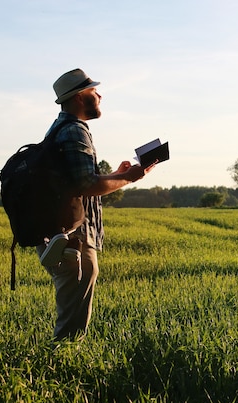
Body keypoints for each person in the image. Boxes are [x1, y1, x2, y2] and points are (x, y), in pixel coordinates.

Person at [37, 68, 155, 341]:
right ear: (80, 97)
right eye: (93, 91)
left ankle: (62, 367)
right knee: (71, 321)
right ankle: (62, 371)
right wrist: (127, 178)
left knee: (72, 309)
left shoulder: (61, 130)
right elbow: (87, 186)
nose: (99, 95)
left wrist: (116, 175)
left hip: (62, 235)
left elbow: (77, 182)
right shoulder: (74, 131)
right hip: (72, 237)